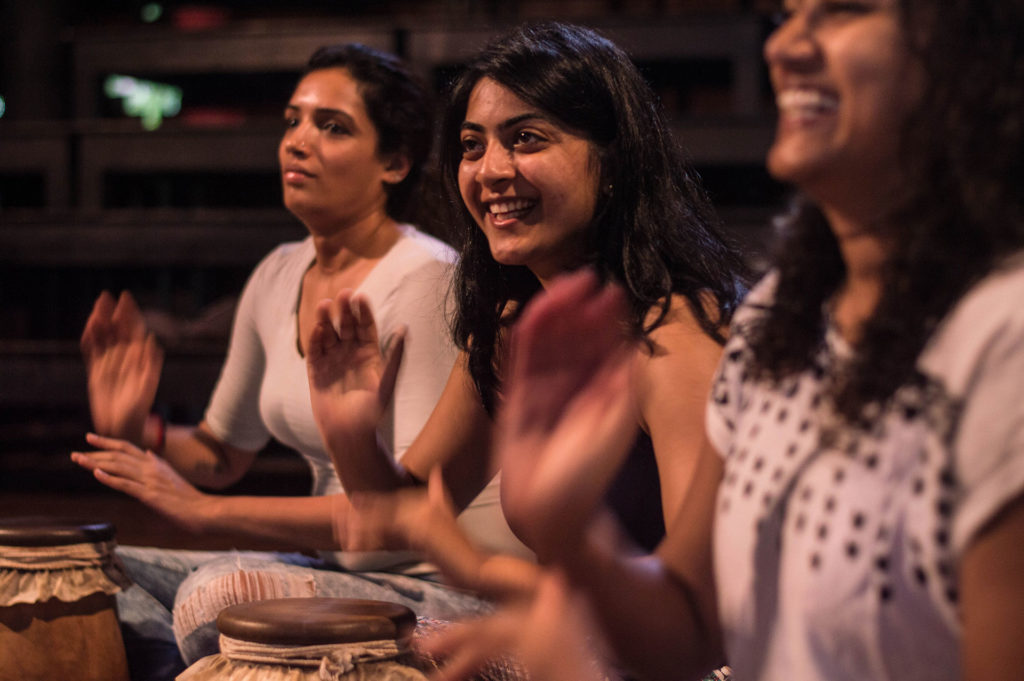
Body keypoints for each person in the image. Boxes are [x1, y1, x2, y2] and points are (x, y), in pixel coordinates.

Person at [426, 1, 1024, 680]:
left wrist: (567, 661)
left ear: (967, 53)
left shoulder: (1004, 338)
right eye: (789, 15)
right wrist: (570, 530)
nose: (786, 45)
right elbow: (694, 630)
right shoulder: (781, 315)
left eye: (842, 11)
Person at [72, 43, 520, 681]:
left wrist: (206, 512)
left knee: (220, 595)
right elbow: (220, 455)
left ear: (394, 162)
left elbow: (402, 522)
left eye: (331, 126)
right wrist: (133, 427)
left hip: (435, 585)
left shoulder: (427, 281)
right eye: (292, 121)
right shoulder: (279, 272)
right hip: (331, 571)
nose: (297, 141)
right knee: (88, 581)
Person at [307, 21, 748, 607]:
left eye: (527, 139)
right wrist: (354, 437)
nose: (490, 170)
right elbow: (407, 515)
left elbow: (704, 602)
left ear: (614, 162)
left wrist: (477, 569)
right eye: (472, 145)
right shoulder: (510, 327)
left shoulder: (673, 336)